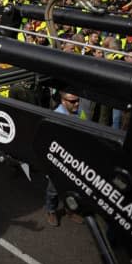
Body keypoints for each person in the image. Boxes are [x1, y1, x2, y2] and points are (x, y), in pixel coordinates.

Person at [45, 91, 85, 227]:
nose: (77, 103)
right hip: (58, 161)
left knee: (71, 188)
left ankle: (70, 210)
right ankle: (51, 211)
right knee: (54, 189)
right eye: (73, 101)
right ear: (63, 101)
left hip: (73, 160)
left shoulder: (78, 112)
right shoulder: (57, 116)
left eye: (77, 100)